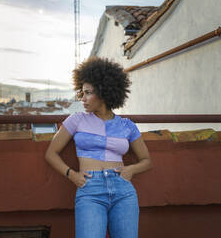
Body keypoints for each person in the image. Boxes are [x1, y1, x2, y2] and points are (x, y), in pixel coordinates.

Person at [45, 57, 153, 238]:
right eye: (82, 93)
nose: (83, 98)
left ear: (103, 92)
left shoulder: (127, 125)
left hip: (123, 191)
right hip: (90, 190)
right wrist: (72, 175)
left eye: (88, 93)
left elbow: (147, 161)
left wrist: (131, 170)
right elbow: (51, 153)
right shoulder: (76, 119)